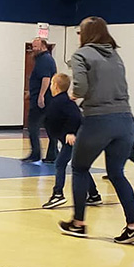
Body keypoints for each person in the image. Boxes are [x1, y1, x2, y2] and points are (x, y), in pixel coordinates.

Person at [59, 17, 134, 244]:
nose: (78, 36)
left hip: (99, 120)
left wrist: (73, 94)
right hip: (126, 120)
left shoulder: (81, 54)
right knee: (117, 173)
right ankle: (133, 226)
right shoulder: (116, 55)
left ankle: (78, 223)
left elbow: (82, 87)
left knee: (79, 168)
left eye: (79, 32)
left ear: (86, 34)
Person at [42, 73, 100, 208]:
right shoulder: (62, 101)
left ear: (55, 86)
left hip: (74, 139)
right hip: (73, 138)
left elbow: (76, 117)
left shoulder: (62, 102)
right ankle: (94, 195)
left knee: (60, 164)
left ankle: (58, 194)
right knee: (81, 166)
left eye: (51, 83)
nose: (50, 86)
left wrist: (71, 133)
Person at [22, 37, 58, 164]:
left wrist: (40, 95)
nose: (33, 49)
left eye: (36, 46)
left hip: (42, 100)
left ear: (43, 46)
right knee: (50, 127)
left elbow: (46, 79)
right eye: (33, 46)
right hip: (46, 99)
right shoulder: (44, 59)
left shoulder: (44, 60)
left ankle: (36, 154)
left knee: (33, 127)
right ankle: (52, 155)